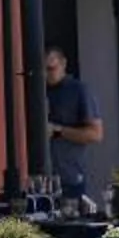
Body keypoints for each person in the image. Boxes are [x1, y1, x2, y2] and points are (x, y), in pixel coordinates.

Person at [45, 46, 104, 200]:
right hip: (40, 179)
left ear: (63, 64)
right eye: (42, 70)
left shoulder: (78, 90)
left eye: (51, 69)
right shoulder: (36, 90)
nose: (46, 75)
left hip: (69, 176)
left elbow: (95, 134)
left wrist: (58, 130)